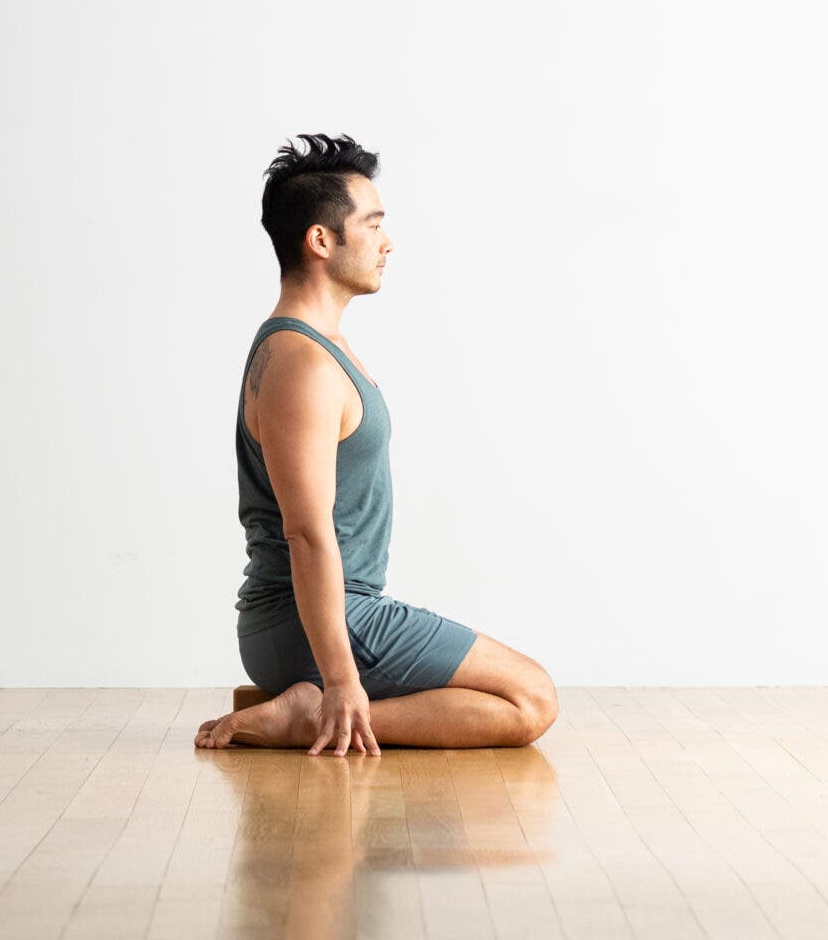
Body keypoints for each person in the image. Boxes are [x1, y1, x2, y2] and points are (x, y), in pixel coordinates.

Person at [195, 133, 559, 755]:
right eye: (372, 224)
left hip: (324, 616)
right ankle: (311, 714)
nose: (387, 242)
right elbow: (307, 534)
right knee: (531, 700)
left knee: (523, 696)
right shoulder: (301, 366)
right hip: (317, 621)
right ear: (320, 240)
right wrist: (339, 679)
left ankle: (317, 705)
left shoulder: (312, 349)